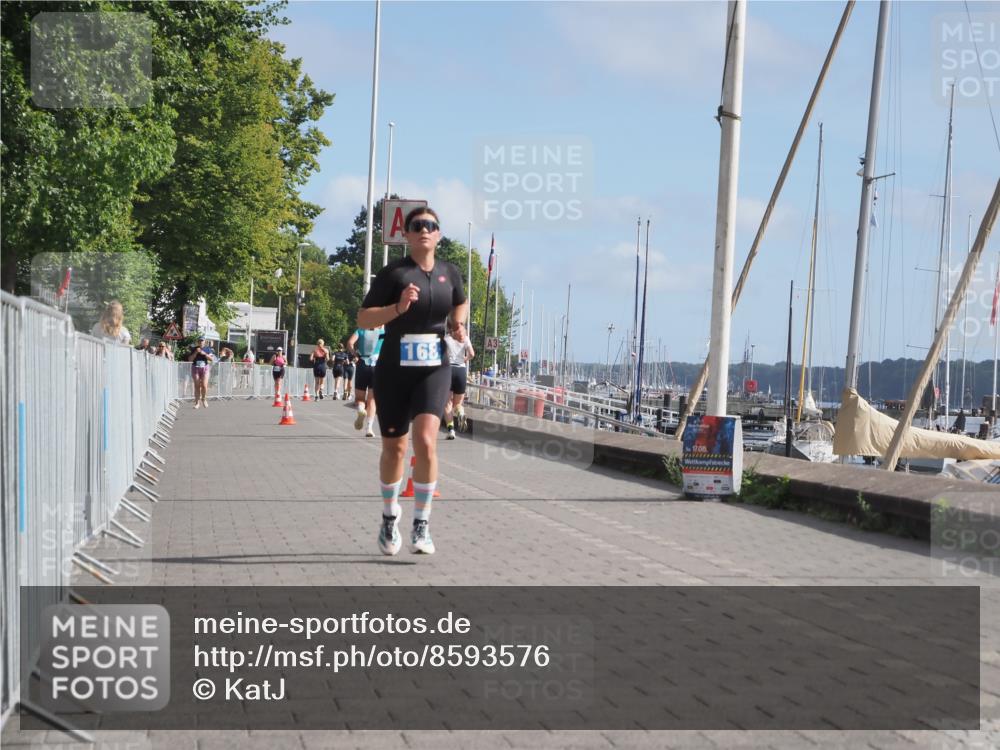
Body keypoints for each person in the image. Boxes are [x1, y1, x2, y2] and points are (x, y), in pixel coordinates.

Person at [357, 207, 468, 556]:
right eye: (417, 226)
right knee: (395, 448)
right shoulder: (395, 273)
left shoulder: (450, 272)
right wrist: (398, 309)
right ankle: (390, 517)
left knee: (425, 440)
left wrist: (457, 325)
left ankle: (422, 523)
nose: (424, 230)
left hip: (435, 366)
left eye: (431, 226)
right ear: (406, 235)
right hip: (394, 367)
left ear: (438, 235)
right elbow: (364, 317)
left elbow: (461, 303)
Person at [347, 325, 384, 438]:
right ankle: (369, 428)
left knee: (360, 398)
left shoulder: (361, 330)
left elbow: (349, 343)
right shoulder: (383, 331)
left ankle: (361, 410)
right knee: (372, 400)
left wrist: (355, 354)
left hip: (362, 363)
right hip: (377, 365)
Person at [443, 323, 475, 439]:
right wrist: (464, 359)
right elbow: (472, 354)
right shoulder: (465, 338)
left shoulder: (446, 339)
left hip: (448, 370)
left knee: (447, 403)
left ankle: (451, 430)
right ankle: (461, 413)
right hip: (461, 370)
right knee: (457, 404)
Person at [187, 336, 214, 409]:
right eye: (199, 341)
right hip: (195, 368)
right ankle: (197, 403)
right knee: (197, 385)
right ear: (198, 342)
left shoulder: (208, 349)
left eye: (202, 341)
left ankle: (204, 399)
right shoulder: (194, 349)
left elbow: (211, 359)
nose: (201, 342)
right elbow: (190, 359)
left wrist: (204, 353)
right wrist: (196, 352)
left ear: (204, 342)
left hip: (205, 368)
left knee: (204, 386)